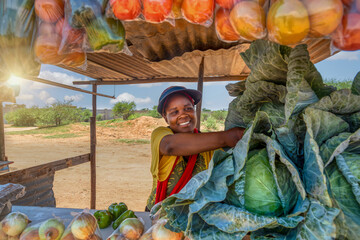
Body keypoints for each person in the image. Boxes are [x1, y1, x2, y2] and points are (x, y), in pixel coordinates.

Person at [146, 86, 245, 211]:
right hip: (157, 214)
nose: (183, 115)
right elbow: (170, 146)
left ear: (194, 111)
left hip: (190, 218)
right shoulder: (160, 135)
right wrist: (227, 137)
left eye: (188, 108)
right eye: (174, 112)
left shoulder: (210, 145)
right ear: (165, 118)